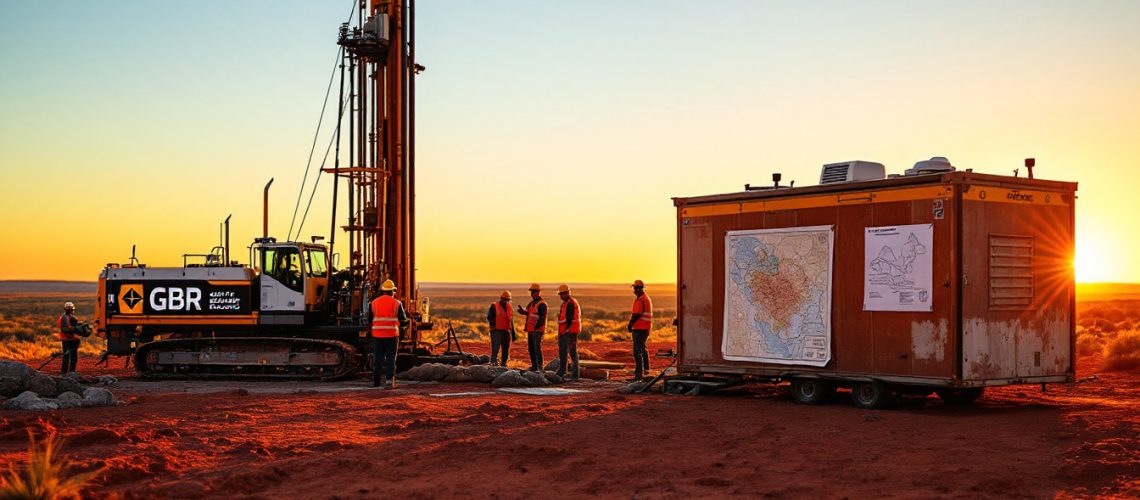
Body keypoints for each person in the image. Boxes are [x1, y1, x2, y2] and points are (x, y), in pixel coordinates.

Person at [368, 279, 408, 388]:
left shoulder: (373, 303)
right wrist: (405, 326)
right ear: (392, 291)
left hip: (377, 336)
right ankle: (389, 381)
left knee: (378, 359)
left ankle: (376, 382)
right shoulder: (397, 303)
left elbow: (369, 320)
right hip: (392, 335)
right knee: (391, 359)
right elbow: (403, 320)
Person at [516, 283, 547, 372]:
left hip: (537, 330)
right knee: (531, 348)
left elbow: (542, 317)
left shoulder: (542, 304)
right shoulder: (532, 303)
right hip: (531, 329)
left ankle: (540, 367)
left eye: (533, 292)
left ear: (538, 292)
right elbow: (529, 313)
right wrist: (523, 311)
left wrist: (537, 327)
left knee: (537, 348)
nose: (531, 294)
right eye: (531, 292)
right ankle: (534, 366)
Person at [628, 279, 654, 380]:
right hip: (645, 328)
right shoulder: (645, 298)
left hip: (640, 328)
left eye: (635, 288)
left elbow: (637, 314)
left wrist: (630, 324)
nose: (634, 290)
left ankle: (638, 374)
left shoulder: (641, 299)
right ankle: (647, 370)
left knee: (637, 351)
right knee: (643, 348)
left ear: (638, 288)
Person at [556, 284, 581, 380]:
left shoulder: (571, 303)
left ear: (567, 293)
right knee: (562, 351)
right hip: (564, 332)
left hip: (570, 332)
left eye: (562, 294)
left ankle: (575, 375)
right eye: (560, 295)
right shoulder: (565, 304)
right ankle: (562, 370)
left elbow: (570, 319)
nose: (561, 296)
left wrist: (566, 330)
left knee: (572, 352)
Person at [486, 291, 515, 366]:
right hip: (496, 331)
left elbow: (511, 320)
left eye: (507, 300)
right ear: (501, 298)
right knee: (495, 348)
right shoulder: (494, 306)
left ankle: (504, 363)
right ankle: (493, 363)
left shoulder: (509, 307)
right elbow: (489, 317)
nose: (505, 301)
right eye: (504, 299)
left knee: (506, 349)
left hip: (506, 331)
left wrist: (513, 333)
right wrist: (493, 325)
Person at [58, 301, 83, 375]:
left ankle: (71, 372)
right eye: (72, 309)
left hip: (72, 339)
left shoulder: (69, 317)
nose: (73, 310)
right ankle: (65, 373)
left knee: (73, 356)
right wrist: (75, 329)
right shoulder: (64, 318)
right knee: (67, 356)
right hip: (67, 340)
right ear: (69, 310)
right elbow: (65, 329)